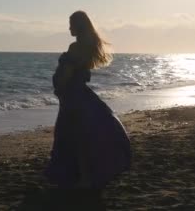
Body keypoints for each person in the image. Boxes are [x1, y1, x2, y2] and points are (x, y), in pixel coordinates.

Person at [45, 11, 131, 209]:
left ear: (78, 26)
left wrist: (59, 87)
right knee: (82, 136)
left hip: (72, 97)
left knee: (73, 136)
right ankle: (84, 177)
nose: (69, 28)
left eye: (71, 24)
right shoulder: (87, 46)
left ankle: (82, 179)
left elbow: (67, 73)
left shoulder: (75, 47)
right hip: (78, 95)